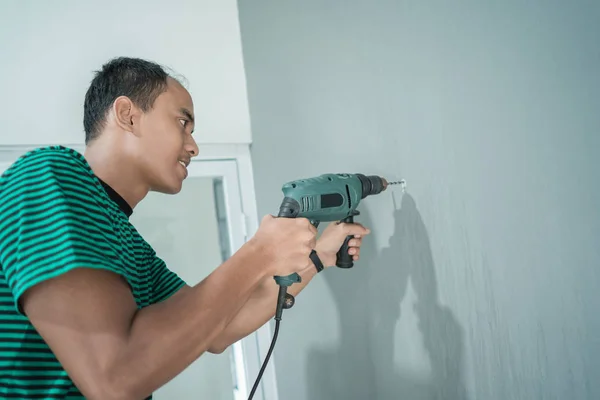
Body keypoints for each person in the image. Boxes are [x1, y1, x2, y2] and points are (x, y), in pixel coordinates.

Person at [0, 57, 370, 399]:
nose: (193, 146)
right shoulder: (48, 174)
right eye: (182, 123)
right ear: (127, 114)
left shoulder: (133, 248)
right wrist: (260, 251)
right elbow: (114, 378)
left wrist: (317, 258)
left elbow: (221, 328)